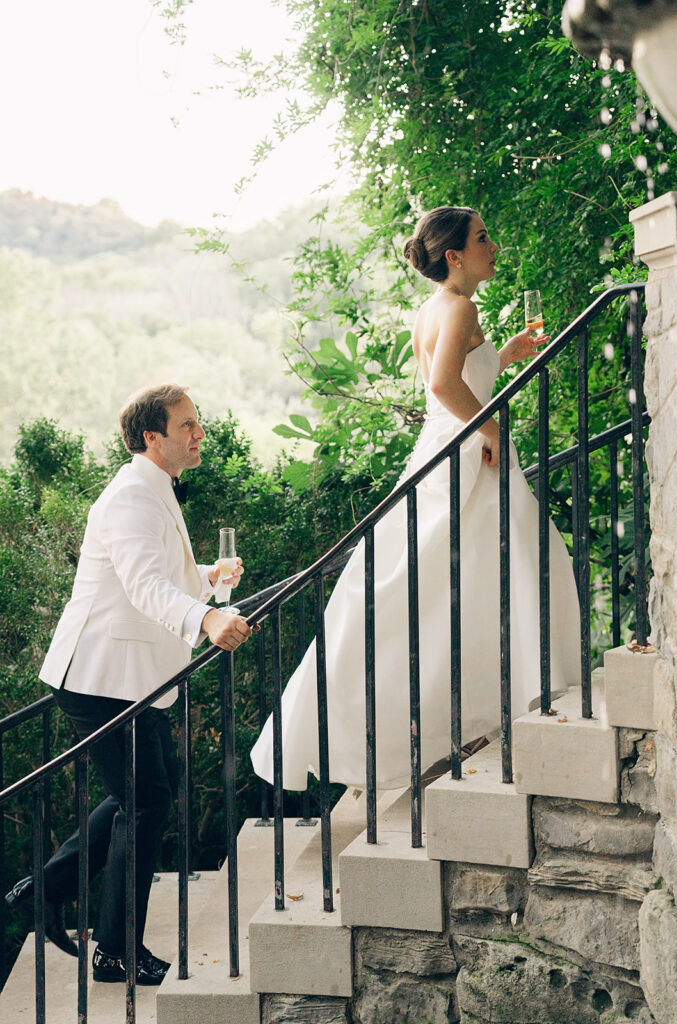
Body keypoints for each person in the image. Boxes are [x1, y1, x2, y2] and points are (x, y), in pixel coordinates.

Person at [250, 206, 580, 792]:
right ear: (454, 256)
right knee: (488, 569)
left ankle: (477, 707)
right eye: (483, 238)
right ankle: (502, 698)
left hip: (445, 445)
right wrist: (493, 432)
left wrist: (504, 355)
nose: (492, 245)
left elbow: (457, 375)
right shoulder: (460, 306)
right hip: (468, 452)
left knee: (459, 579)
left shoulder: (433, 308)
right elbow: (442, 386)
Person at [5, 383, 252, 984]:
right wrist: (208, 616)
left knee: (141, 797)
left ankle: (44, 891)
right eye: (187, 425)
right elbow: (144, 587)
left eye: (198, 422)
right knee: (145, 802)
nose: (199, 434)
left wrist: (208, 580)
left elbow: (159, 573)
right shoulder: (130, 497)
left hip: (129, 677)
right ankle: (113, 948)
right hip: (98, 676)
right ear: (152, 437)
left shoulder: (154, 489)